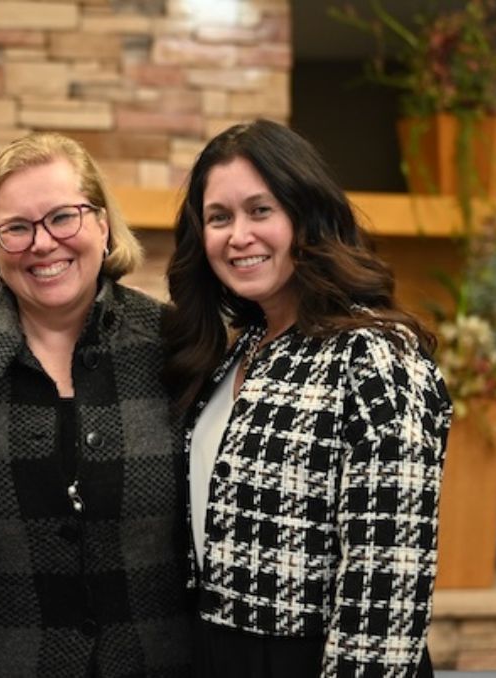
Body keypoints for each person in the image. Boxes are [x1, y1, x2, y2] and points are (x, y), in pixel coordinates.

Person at [164, 119, 452, 677]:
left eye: (260, 210)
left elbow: (386, 584)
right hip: (219, 651)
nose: (237, 235)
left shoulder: (375, 355)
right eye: (219, 217)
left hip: (317, 657)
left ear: (306, 214)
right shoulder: (236, 349)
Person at [0, 132, 193, 677]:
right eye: (16, 228)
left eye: (63, 217)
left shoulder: (178, 348)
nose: (42, 244)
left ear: (102, 223)